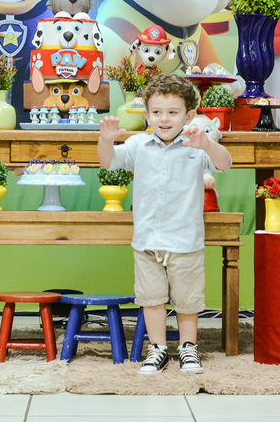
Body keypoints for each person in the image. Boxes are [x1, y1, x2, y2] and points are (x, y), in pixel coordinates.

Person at [97, 73, 232, 374]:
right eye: (157, 112)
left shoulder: (197, 144)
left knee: (187, 300)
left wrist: (208, 145)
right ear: (146, 115)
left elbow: (224, 164)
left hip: (185, 240)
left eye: (173, 112)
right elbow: (109, 161)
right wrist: (105, 140)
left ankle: (188, 348)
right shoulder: (138, 144)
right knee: (152, 298)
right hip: (147, 240)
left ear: (189, 115)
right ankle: (157, 349)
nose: (165, 119)